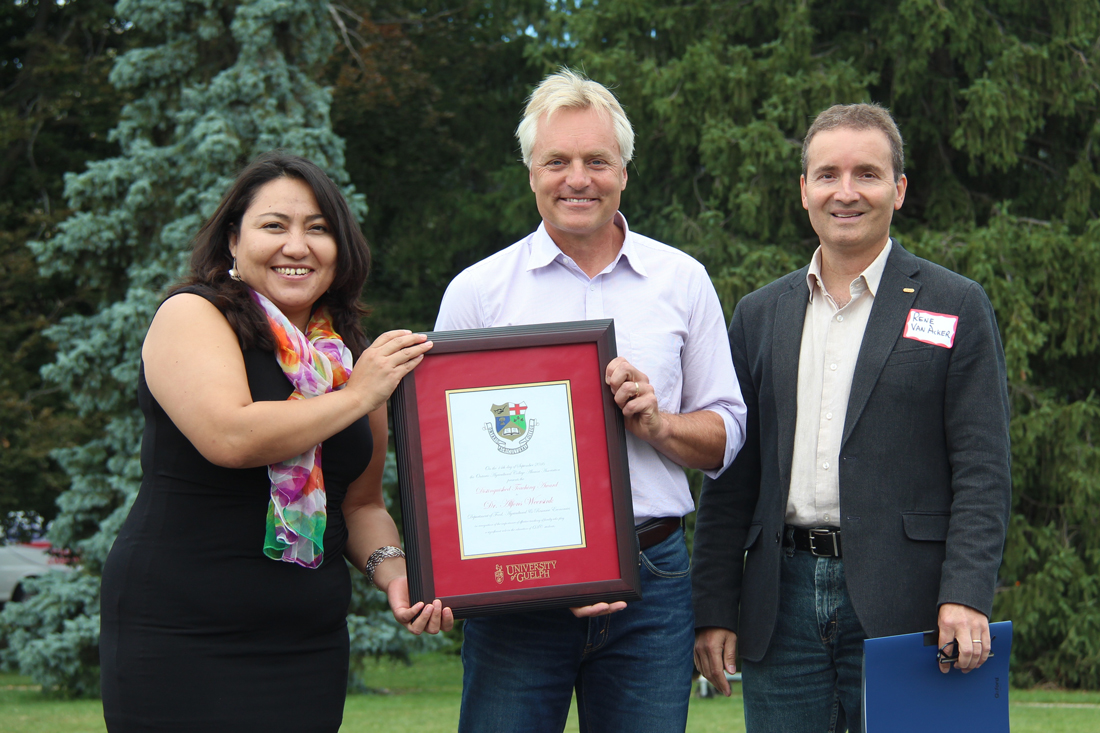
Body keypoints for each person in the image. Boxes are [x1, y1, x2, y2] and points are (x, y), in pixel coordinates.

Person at [434, 68, 747, 733]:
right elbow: (446, 456)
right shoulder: (477, 293)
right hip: (517, 588)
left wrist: (657, 422)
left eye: (597, 160)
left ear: (624, 172)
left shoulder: (682, 281)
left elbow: (726, 435)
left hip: (653, 580)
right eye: (558, 161)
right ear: (532, 173)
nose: (578, 177)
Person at [99, 151, 453, 732]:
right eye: (274, 226)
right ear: (233, 241)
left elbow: (360, 505)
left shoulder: (347, 361)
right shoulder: (192, 314)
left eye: (318, 229)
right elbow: (230, 436)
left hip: (306, 645)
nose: (297, 245)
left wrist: (398, 575)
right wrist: (360, 395)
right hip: (181, 636)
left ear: (341, 250)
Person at [691, 103, 1012, 732]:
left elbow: (982, 470)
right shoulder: (760, 315)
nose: (846, 192)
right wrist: (713, 606)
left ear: (898, 190)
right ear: (803, 190)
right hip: (777, 606)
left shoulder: (956, 305)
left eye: (866, 174)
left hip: (911, 605)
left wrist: (966, 593)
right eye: (827, 174)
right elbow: (730, 474)